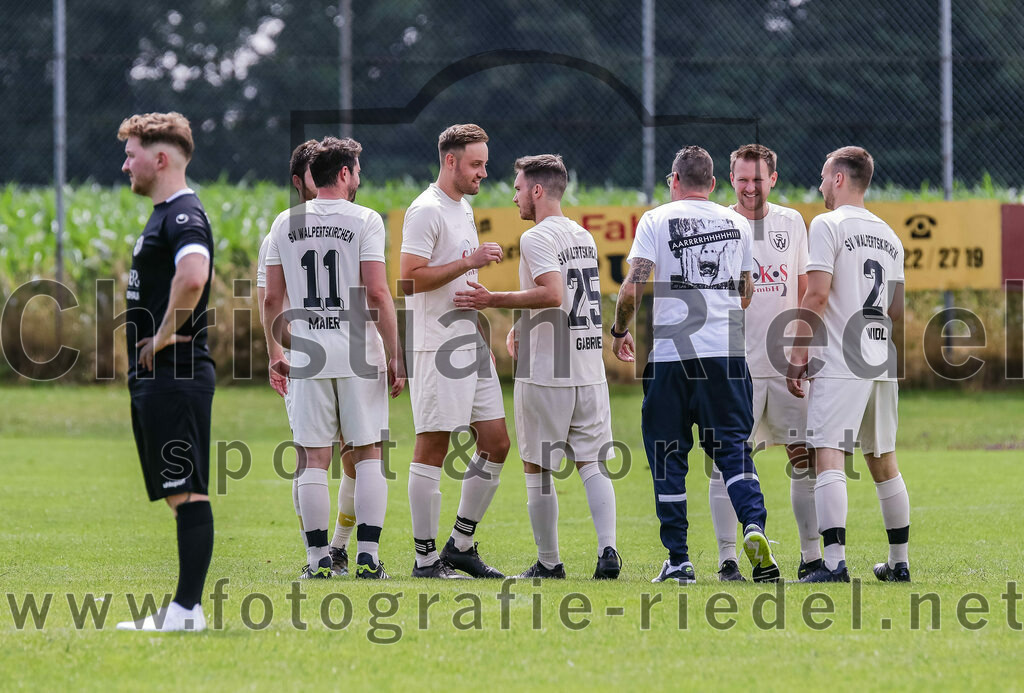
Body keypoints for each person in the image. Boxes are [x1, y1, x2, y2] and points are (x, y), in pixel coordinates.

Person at [610, 145, 781, 584]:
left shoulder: (656, 219)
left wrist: (618, 330)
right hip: (725, 356)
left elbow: (632, 289)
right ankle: (755, 527)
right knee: (733, 450)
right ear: (713, 184)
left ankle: (680, 558)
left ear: (674, 180)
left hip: (672, 358)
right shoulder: (738, 223)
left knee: (668, 456)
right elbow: (746, 290)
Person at [454, 154, 620, 579]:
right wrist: (522, 329)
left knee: (537, 467)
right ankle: (608, 553)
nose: (514, 197)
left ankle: (550, 563)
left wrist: (493, 300)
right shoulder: (582, 235)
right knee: (593, 464)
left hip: (548, 373)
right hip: (588, 369)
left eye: (518, 188)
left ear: (538, 190)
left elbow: (552, 294)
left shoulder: (535, 237)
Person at [263, 136, 404, 580]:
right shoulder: (365, 220)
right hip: (360, 352)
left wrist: (274, 352)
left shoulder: (284, 223)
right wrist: (395, 354)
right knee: (367, 456)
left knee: (312, 459)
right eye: (356, 171)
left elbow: (270, 298)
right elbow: (378, 292)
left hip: (307, 353)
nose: (358, 178)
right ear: (343, 174)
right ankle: (367, 557)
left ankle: (318, 560)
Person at [787, 146, 910, 583]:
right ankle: (898, 563)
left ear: (839, 179)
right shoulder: (890, 235)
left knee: (828, 455)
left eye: (824, 177)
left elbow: (816, 295)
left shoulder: (827, 224)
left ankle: (834, 563)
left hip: (841, 358)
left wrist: (799, 353)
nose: (820, 186)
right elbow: (896, 308)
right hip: (880, 355)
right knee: (883, 459)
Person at [114, 112, 216, 631]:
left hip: (175, 373)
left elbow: (193, 275)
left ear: (161, 158)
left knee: (187, 489)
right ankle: (183, 609)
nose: (125, 163)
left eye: (131, 154)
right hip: (160, 378)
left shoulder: (183, 215)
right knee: (179, 493)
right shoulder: (164, 214)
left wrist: (158, 335)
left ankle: (185, 611)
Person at [399, 123, 509, 579]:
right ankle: (426, 561)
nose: (483, 172)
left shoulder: (462, 207)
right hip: (436, 345)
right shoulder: (426, 210)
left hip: (469, 343)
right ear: (450, 161)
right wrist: (469, 261)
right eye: (476, 164)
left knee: (497, 441)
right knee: (434, 446)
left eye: (484, 163)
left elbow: (454, 280)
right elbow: (408, 278)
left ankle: (460, 545)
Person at [706, 143, 815, 582]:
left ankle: (810, 557)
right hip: (736, 367)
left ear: (774, 178)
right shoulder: (717, 224)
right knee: (725, 460)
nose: (752, 187)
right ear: (732, 180)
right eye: (743, 179)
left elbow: (807, 291)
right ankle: (728, 558)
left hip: (787, 363)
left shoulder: (792, 223)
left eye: (759, 179)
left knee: (802, 455)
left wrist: (803, 351)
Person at [257, 141, 357, 577]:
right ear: (302, 182)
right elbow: (269, 298)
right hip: (313, 354)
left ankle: (334, 548)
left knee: (347, 455)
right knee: (314, 456)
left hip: (334, 352)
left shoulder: (353, 224)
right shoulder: (282, 232)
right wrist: (276, 350)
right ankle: (318, 552)